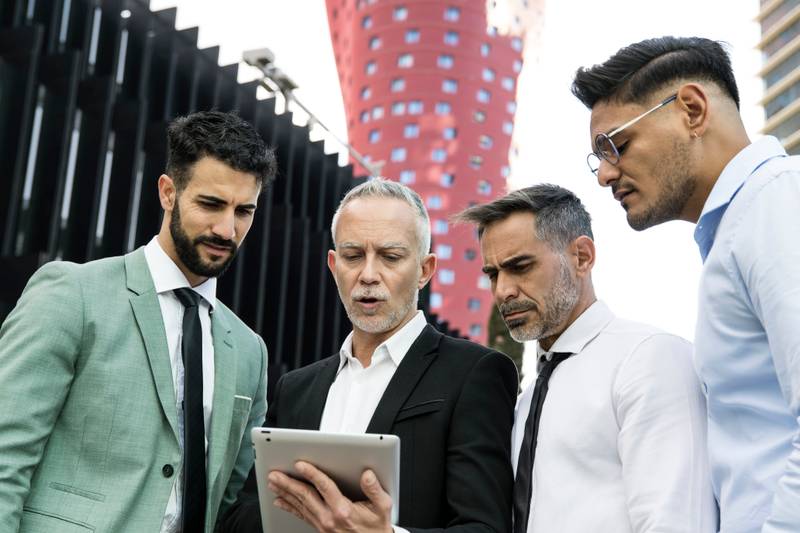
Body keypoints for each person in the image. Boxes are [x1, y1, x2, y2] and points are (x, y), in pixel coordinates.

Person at [0, 110, 276, 532]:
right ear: (168, 192)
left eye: (244, 211)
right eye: (211, 204)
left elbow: (229, 505)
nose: (227, 228)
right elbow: (6, 454)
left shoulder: (250, 350)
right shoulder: (72, 294)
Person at [572, 35, 800, 532]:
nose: (605, 175)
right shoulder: (743, 226)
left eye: (616, 145)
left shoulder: (777, 203)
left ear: (692, 110)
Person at [219, 178, 518, 533]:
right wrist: (312, 515)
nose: (368, 275)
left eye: (390, 257)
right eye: (353, 256)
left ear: (425, 270)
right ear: (333, 265)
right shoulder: (296, 388)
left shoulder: (475, 373)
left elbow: (485, 527)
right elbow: (238, 518)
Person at [455, 184, 716, 533]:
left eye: (520, 266)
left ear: (582, 257)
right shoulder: (529, 397)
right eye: (493, 274)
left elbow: (676, 522)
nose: (503, 290)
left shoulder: (650, 359)